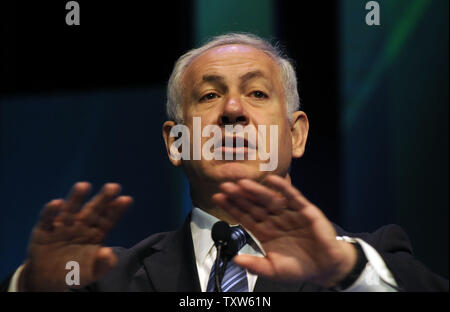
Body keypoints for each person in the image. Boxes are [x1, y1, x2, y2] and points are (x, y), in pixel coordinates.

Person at [2, 33, 448, 292]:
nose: (233, 109)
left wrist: (345, 270)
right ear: (176, 141)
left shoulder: (363, 260)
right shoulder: (107, 278)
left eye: (257, 93)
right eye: (210, 95)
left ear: (296, 134)